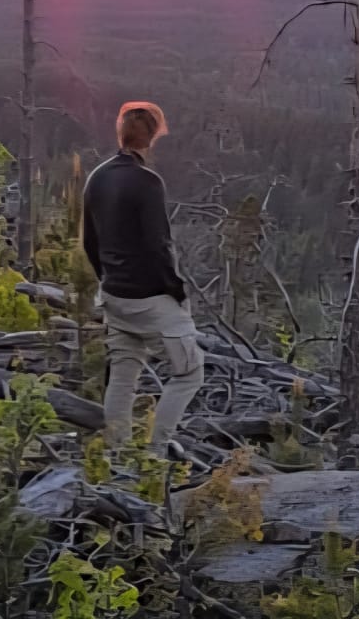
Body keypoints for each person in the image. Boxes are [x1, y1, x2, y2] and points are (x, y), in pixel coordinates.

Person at [80, 99, 204, 455]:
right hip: (149, 298)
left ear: (120, 134)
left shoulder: (97, 177)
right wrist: (175, 290)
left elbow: (90, 241)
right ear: (151, 137)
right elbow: (158, 245)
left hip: (114, 295)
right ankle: (156, 455)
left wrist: (108, 279)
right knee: (189, 372)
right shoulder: (148, 182)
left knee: (122, 374)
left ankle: (117, 456)